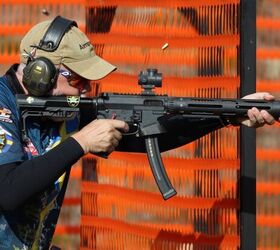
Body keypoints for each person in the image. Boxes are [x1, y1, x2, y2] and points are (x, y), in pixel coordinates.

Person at [0, 16, 275, 249]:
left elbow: (154, 136)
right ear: (41, 73)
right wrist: (80, 142)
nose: (85, 89)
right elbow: (8, 191)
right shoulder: (4, 105)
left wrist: (228, 116)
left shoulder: (63, 109)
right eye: (78, 79)